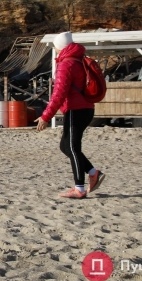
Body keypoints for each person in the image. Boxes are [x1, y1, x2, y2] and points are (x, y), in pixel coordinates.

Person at [35, 31, 105, 199]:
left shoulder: (66, 64)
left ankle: (79, 188)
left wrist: (46, 116)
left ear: (60, 47)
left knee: (72, 148)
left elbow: (59, 93)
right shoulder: (79, 59)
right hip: (86, 108)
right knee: (65, 146)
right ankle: (93, 173)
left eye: (56, 47)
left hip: (75, 109)